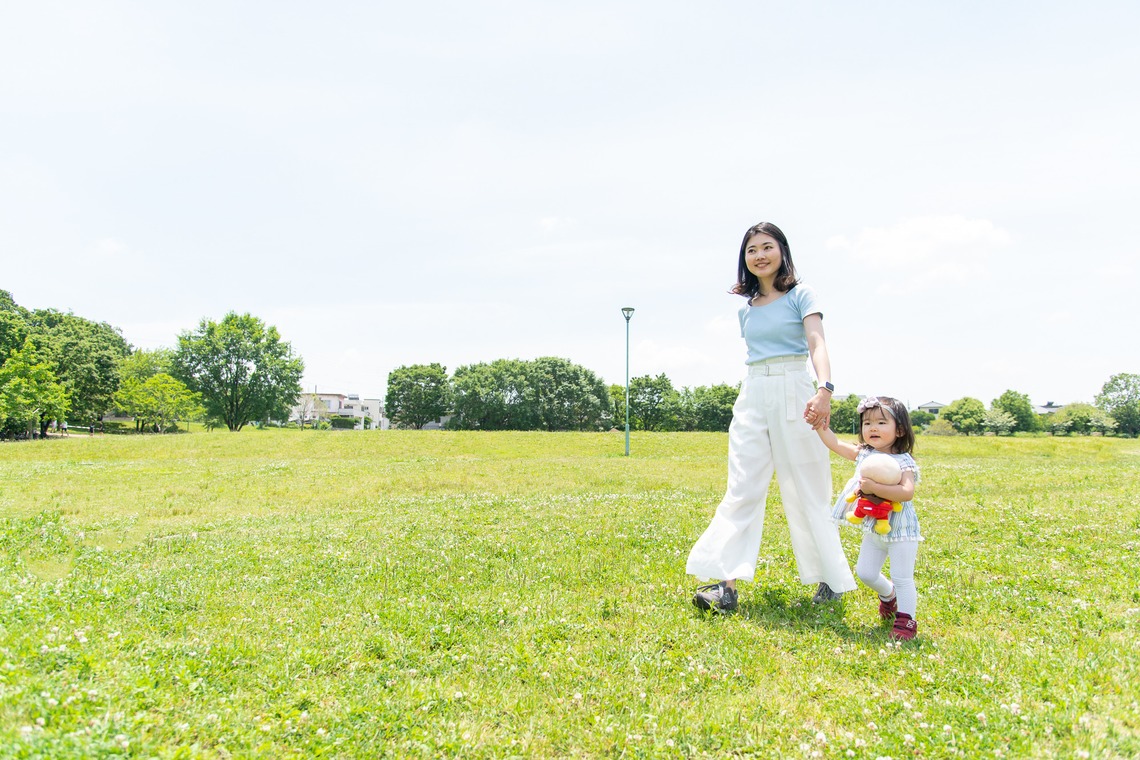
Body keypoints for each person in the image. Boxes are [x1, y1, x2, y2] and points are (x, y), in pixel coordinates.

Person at [687, 221, 856, 613]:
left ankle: (829, 578)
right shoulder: (746, 311)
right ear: (744, 260)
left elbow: (816, 343)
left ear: (782, 250)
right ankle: (725, 586)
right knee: (742, 484)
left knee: (807, 486)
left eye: (767, 246)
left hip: (796, 388)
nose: (759, 255)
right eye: (751, 250)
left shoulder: (801, 294)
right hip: (754, 392)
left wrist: (824, 389)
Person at [816, 396, 922, 640]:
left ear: (901, 430)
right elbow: (834, 444)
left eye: (881, 423)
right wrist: (821, 424)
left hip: (902, 531)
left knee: (902, 576)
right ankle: (889, 595)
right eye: (867, 423)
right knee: (865, 573)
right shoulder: (864, 454)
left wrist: (873, 486)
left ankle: (906, 622)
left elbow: (906, 493)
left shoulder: (903, 460)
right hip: (875, 529)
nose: (873, 428)